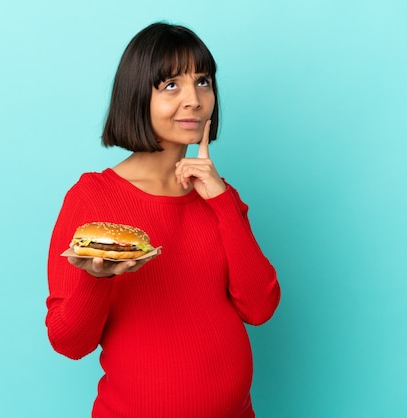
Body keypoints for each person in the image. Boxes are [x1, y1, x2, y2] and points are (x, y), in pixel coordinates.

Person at [45, 22, 281, 418]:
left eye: (203, 82)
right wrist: (96, 279)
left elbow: (259, 307)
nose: (194, 100)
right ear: (137, 95)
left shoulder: (220, 196)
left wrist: (221, 201)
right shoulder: (94, 198)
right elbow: (69, 342)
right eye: (171, 85)